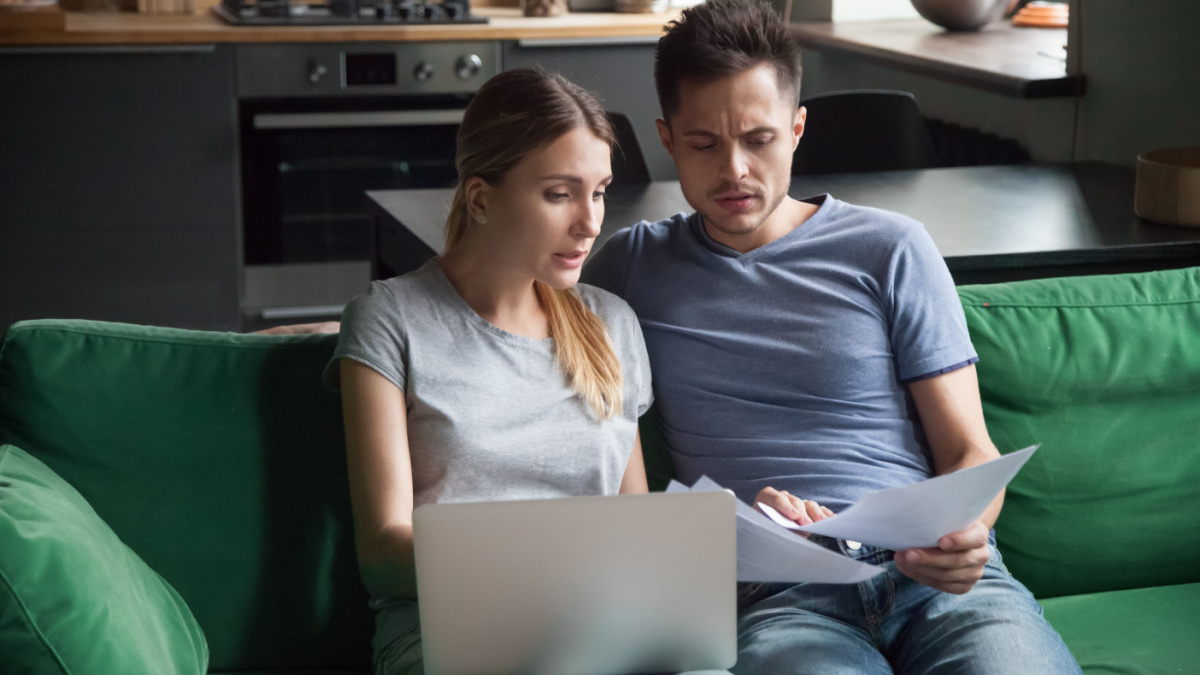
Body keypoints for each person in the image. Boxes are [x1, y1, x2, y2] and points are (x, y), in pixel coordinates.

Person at [579, 1, 1082, 672]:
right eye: (704, 143)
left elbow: (969, 448)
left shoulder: (890, 248)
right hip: (779, 595)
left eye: (758, 139)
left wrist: (966, 531)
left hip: (935, 581)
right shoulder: (631, 267)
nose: (733, 169)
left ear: (796, 129)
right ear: (667, 139)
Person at [321, 68, 663, 675]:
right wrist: (549, 564)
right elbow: (382, 552)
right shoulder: (390, 321)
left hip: (600, 633)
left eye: (600, 190)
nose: (590, 221)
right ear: (481, 198)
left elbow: (633, 528)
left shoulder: (611, 324)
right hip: (454, 634)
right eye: (560, 194)